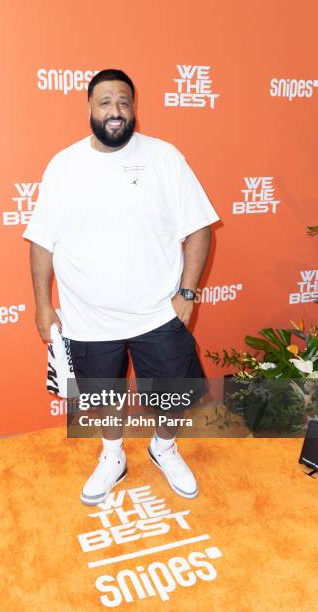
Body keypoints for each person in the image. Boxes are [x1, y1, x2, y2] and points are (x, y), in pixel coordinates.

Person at [22, 68, 220, 505]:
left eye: (124, 102)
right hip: (88, 317)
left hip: (157, 312)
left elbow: (200, 229)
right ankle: (113, 456)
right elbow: (41, 241)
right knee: (102, 398)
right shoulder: (64, 165)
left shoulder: (165, 157)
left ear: (134, 108)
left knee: (175, 394)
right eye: (106, 102)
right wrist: (42, 304)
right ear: (90, 108)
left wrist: (187, 295)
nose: (116, 111)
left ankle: (163, 446)